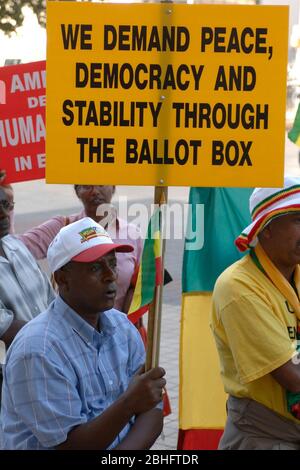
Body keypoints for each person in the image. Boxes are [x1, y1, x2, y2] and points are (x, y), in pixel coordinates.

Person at [1, 217, 166, 450]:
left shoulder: (123, 328)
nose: (110, 275)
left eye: (112, 263)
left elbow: (152, 410)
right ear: (62, 279)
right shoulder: (38, 350)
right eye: (96, 267)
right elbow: (71, 446)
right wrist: (130, 403)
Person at [210, 176, 300, 450]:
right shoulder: (238, 287)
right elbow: (293, 377)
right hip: (266, 437)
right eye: (297, 219)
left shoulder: (295, 269)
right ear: (266, 227)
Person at [20, 185, 142, 313]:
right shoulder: (62, 228)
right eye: (86, 186)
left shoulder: (132, 234)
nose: (95, 191)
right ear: (77, 192)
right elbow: (13, 249)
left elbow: (138, 284)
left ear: (113, 187)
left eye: (101, 183)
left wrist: (127, 322)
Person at [0, 186, 55, 403]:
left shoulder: (16, 245)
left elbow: (51, 301)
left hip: (48, 368)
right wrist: (57, 340)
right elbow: (6, 327)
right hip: (11, 380)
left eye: (6, 205)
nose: (4, 215)